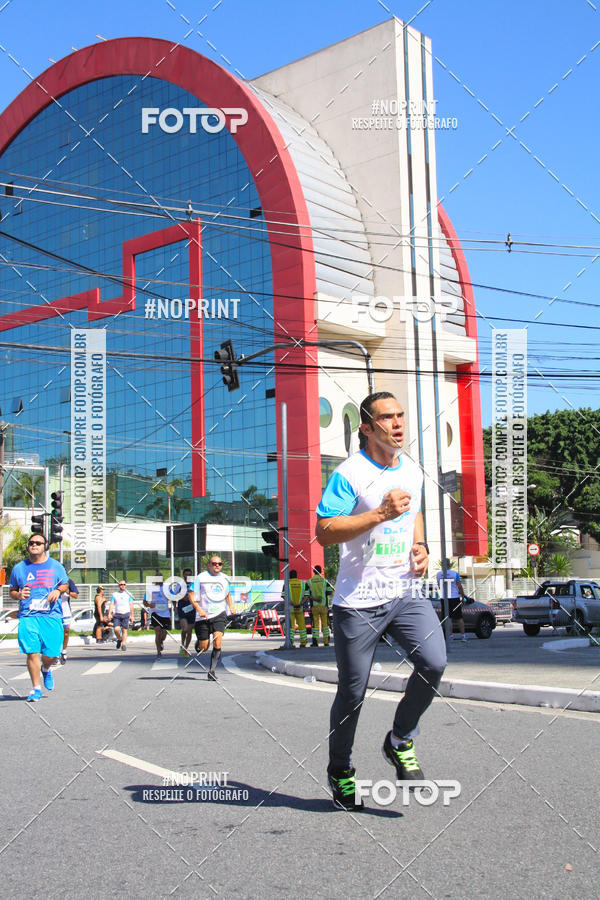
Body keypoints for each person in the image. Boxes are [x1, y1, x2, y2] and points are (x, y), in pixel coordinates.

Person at [316, 392, 446, 810]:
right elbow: (325, 531)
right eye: (386, 417)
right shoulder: (349, 474)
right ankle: (341, 770)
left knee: (434, 662)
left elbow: (415, 514)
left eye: (400, 415)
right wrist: (378, 515)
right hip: (358, 601)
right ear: (367, 428)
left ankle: (399, 739)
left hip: (405, 591)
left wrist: (422, 546)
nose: (397, 423)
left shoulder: (412, 470)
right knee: (353, 693)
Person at [8, 535, 69, 701]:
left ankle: (46, 669)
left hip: (51, 616)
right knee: (32, 653)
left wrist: (58, 591)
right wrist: (19, 594)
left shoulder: (56, 566)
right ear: (28, 546)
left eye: (38, 543)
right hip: (28, 616)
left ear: (45, 547)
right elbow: (12, 591)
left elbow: (65, 584)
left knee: (51, 655)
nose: (34, 545)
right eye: (31, 543)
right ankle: (35, 688)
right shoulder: (19, 568)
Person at [188, 556, 235, 681]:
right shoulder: (201, 578)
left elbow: (227, 594)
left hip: (219, 613)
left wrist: (231, 607)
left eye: (219, 563)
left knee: (218, 641)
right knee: (204, 648)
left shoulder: (225, 578)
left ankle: (212, 670)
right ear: (209, 565)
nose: (217, 566)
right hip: (203, 615)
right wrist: (199, 609)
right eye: (214, 563)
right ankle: (199, 642)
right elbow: (191, 595)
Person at [436, 558, 467, 642]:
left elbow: (439, 586)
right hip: (454, 598)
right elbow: (459, 586)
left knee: (448, 618)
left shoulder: (438, 574)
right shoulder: (455, 574)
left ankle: (450, 636)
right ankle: (463, 636)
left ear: (442, 565)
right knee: (459, 617)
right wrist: (463, 597)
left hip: (444, 598)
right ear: (449, 564)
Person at [143, 576, 173, 657]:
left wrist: (175, 606)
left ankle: (161, 641)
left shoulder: (166, 588)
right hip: (155, 613)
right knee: (158, 631)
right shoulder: (151, 589)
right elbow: (144, 601)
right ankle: (158, 652)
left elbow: (173, 597)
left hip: (165, 613)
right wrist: (149, 604)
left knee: (164, 634)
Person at [108, 580, 134, 650]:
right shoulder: (115, 594)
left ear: (125, 585)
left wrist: (132, 615)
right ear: (119, 585)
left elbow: (131, 605)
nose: (122, 586)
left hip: (126, 613)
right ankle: (119, 639)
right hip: (117, 614)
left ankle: (124, 644)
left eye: (124, 584)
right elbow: (112, 604)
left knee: (124, 630)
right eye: (121, 584)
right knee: (116, 629)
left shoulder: (128, 594)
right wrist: (109, 613)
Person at [58, 576, 79, 664]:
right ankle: (55, 653)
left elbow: (76, 595)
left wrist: (68, 591)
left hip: (65, 612)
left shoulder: (69, 581)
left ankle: (63, 651)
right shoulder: (52, 580)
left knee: (66, 632)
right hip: (54, 612)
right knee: (56, 632)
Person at [307, 564, 329, 647]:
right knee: (325, 625)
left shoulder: (309, 582)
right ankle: (326, 642)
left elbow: (307, 594)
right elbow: (329, 591)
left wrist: (314, 598)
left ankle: (315, 642)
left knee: (315, 625)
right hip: (324, 606)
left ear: (313, 572)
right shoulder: (325, 581)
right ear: (321, 571)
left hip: (314, 606)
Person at [177, 567, 195, 656]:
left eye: (189, 575)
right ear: (183, 575)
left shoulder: (194, 584)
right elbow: (173, 595)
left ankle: (185, 648)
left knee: (190, 630)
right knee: (185, 629)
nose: (187, 576)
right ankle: (182, 643)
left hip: (192, 608)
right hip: (182, 608)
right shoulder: (180, 584)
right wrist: (175, 607)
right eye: (186, 574)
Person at [288, 570, 307, 648]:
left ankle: (291, 642)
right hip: (300, 608)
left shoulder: (287, 584)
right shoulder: (302, 584)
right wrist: (301, 603)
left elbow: (284, 596)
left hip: (290, 608)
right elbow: (306, 595)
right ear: (296, 575)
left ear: (289, 576)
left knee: (291, 627)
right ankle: (303, 642)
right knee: (302, 626)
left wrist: (292, 603)